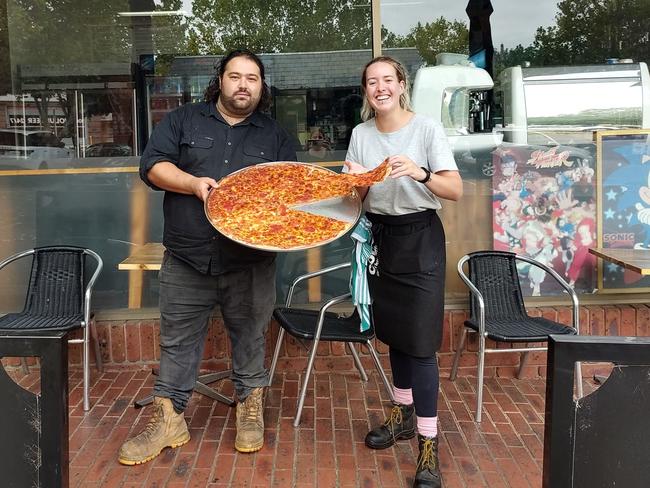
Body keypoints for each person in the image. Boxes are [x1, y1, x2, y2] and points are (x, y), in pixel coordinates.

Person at [118, 49, 296, 465]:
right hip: (187, 257)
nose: (243, 85)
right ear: (220, 80)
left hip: (250, 262)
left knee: (251, 338)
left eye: (252, 78)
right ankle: (168, 420)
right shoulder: (183, 120)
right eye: (235, 76)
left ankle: (250, 410)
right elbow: (153, 166)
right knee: (177, 343)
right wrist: (194, 184)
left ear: (261, 86)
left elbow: (292, 195)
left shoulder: (276, 136)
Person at [344, 56, 463, 488]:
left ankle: (428, 445)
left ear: (401, 85)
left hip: (421, 239)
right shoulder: (360, 134)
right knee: (394, 332)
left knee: (421, 344)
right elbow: (356, 198)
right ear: (366, 91)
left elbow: (454, 189)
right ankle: (402, 415)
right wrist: (352, 182)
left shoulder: (426, 128)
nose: (380, 88)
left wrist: (420, 171)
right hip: (382, 239)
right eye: (371, 82)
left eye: (387, 80)